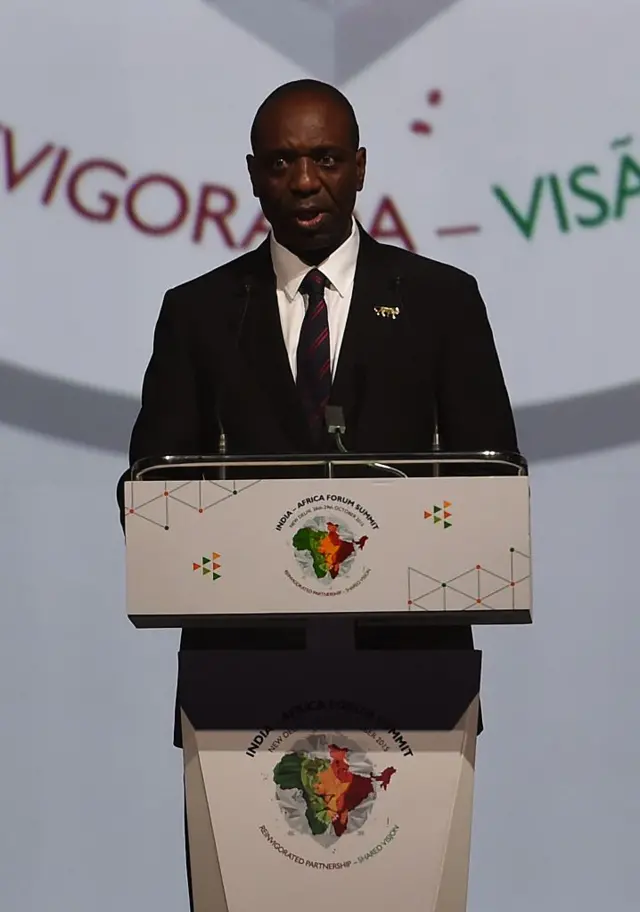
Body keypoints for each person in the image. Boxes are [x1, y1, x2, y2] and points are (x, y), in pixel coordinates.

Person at [118, 79, 518, 907]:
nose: (306, 182)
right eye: (284, 162)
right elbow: (147, 491)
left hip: (413, 682)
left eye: (326, 159)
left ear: (361, 168)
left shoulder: (442, 301)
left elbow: (493, 479)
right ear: (254, 175)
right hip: (242, 683)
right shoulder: (197, 314)